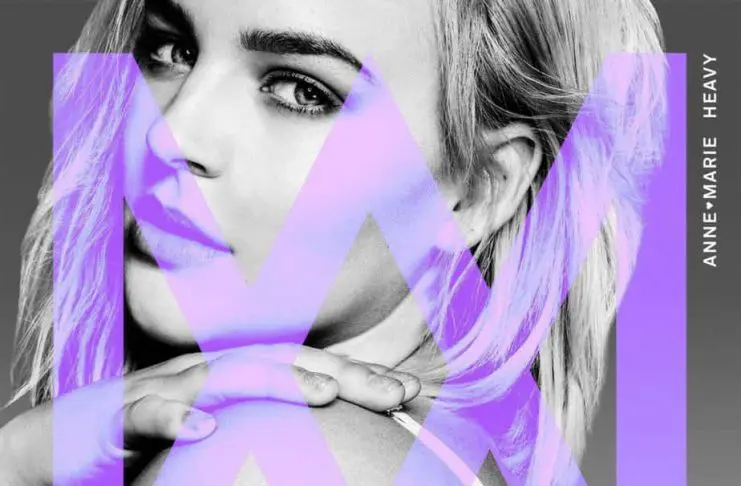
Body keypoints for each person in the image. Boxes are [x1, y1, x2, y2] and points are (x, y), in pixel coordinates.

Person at [0, 0, 667, 484]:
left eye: (300, 90)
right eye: (171, 50)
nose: (171, 133)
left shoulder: (263, 458)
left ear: (478, 189)